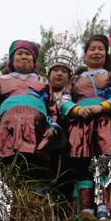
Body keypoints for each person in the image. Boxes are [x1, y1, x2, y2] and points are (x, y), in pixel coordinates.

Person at [61, 34, 111, 215]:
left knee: (105, 163)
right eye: (92, 49)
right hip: (81, 126)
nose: (96, 52)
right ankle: (86, 209)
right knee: (83, 166)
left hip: (105, 124)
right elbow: (64, 100)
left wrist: (102, 107)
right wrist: (77, 110)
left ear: (106, 53)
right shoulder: (74, 79)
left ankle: (105, 207)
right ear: (85, 54)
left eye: (100, 49)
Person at [0, 40, 59, 164]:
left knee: (35, 163)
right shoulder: (1, 81)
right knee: (8, 163)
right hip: (7, 128)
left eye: (27, 54)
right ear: (12, 59)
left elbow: (52, 107)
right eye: (19, 53)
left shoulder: (43, 81)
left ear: (34, 59)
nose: (24, 56)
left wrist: (53, 126)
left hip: (36, 128)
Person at [43, 34, 78, 198]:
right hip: (45, 143)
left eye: (64, 71)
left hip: (70, 143)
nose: (59, 74)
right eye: (55, 70)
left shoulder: (75, 95)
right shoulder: (40, 94)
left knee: (67, 178)